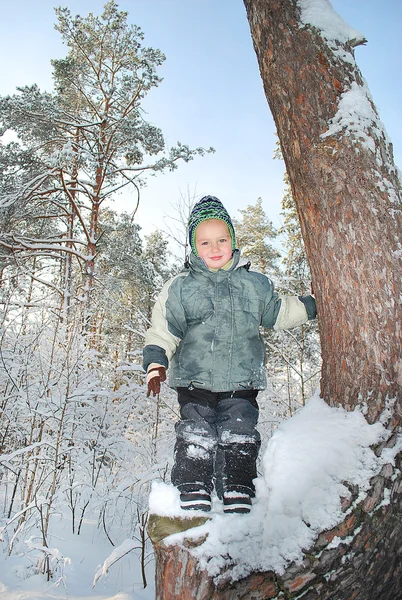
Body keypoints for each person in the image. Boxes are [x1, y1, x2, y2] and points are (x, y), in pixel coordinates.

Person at [143, 196, 316, 514]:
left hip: (241, 379)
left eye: (222, 239)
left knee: (240, 430)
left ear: (233, 240)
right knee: (196, 429)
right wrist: (156, 362)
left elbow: (278, 313)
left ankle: (237, 485)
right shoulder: (181, 287)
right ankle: (193, 485)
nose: (215, 247)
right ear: (195, 246)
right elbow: (164, 329)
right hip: (195, 380)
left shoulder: (254, 285)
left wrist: (312, 305)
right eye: (205, 241)